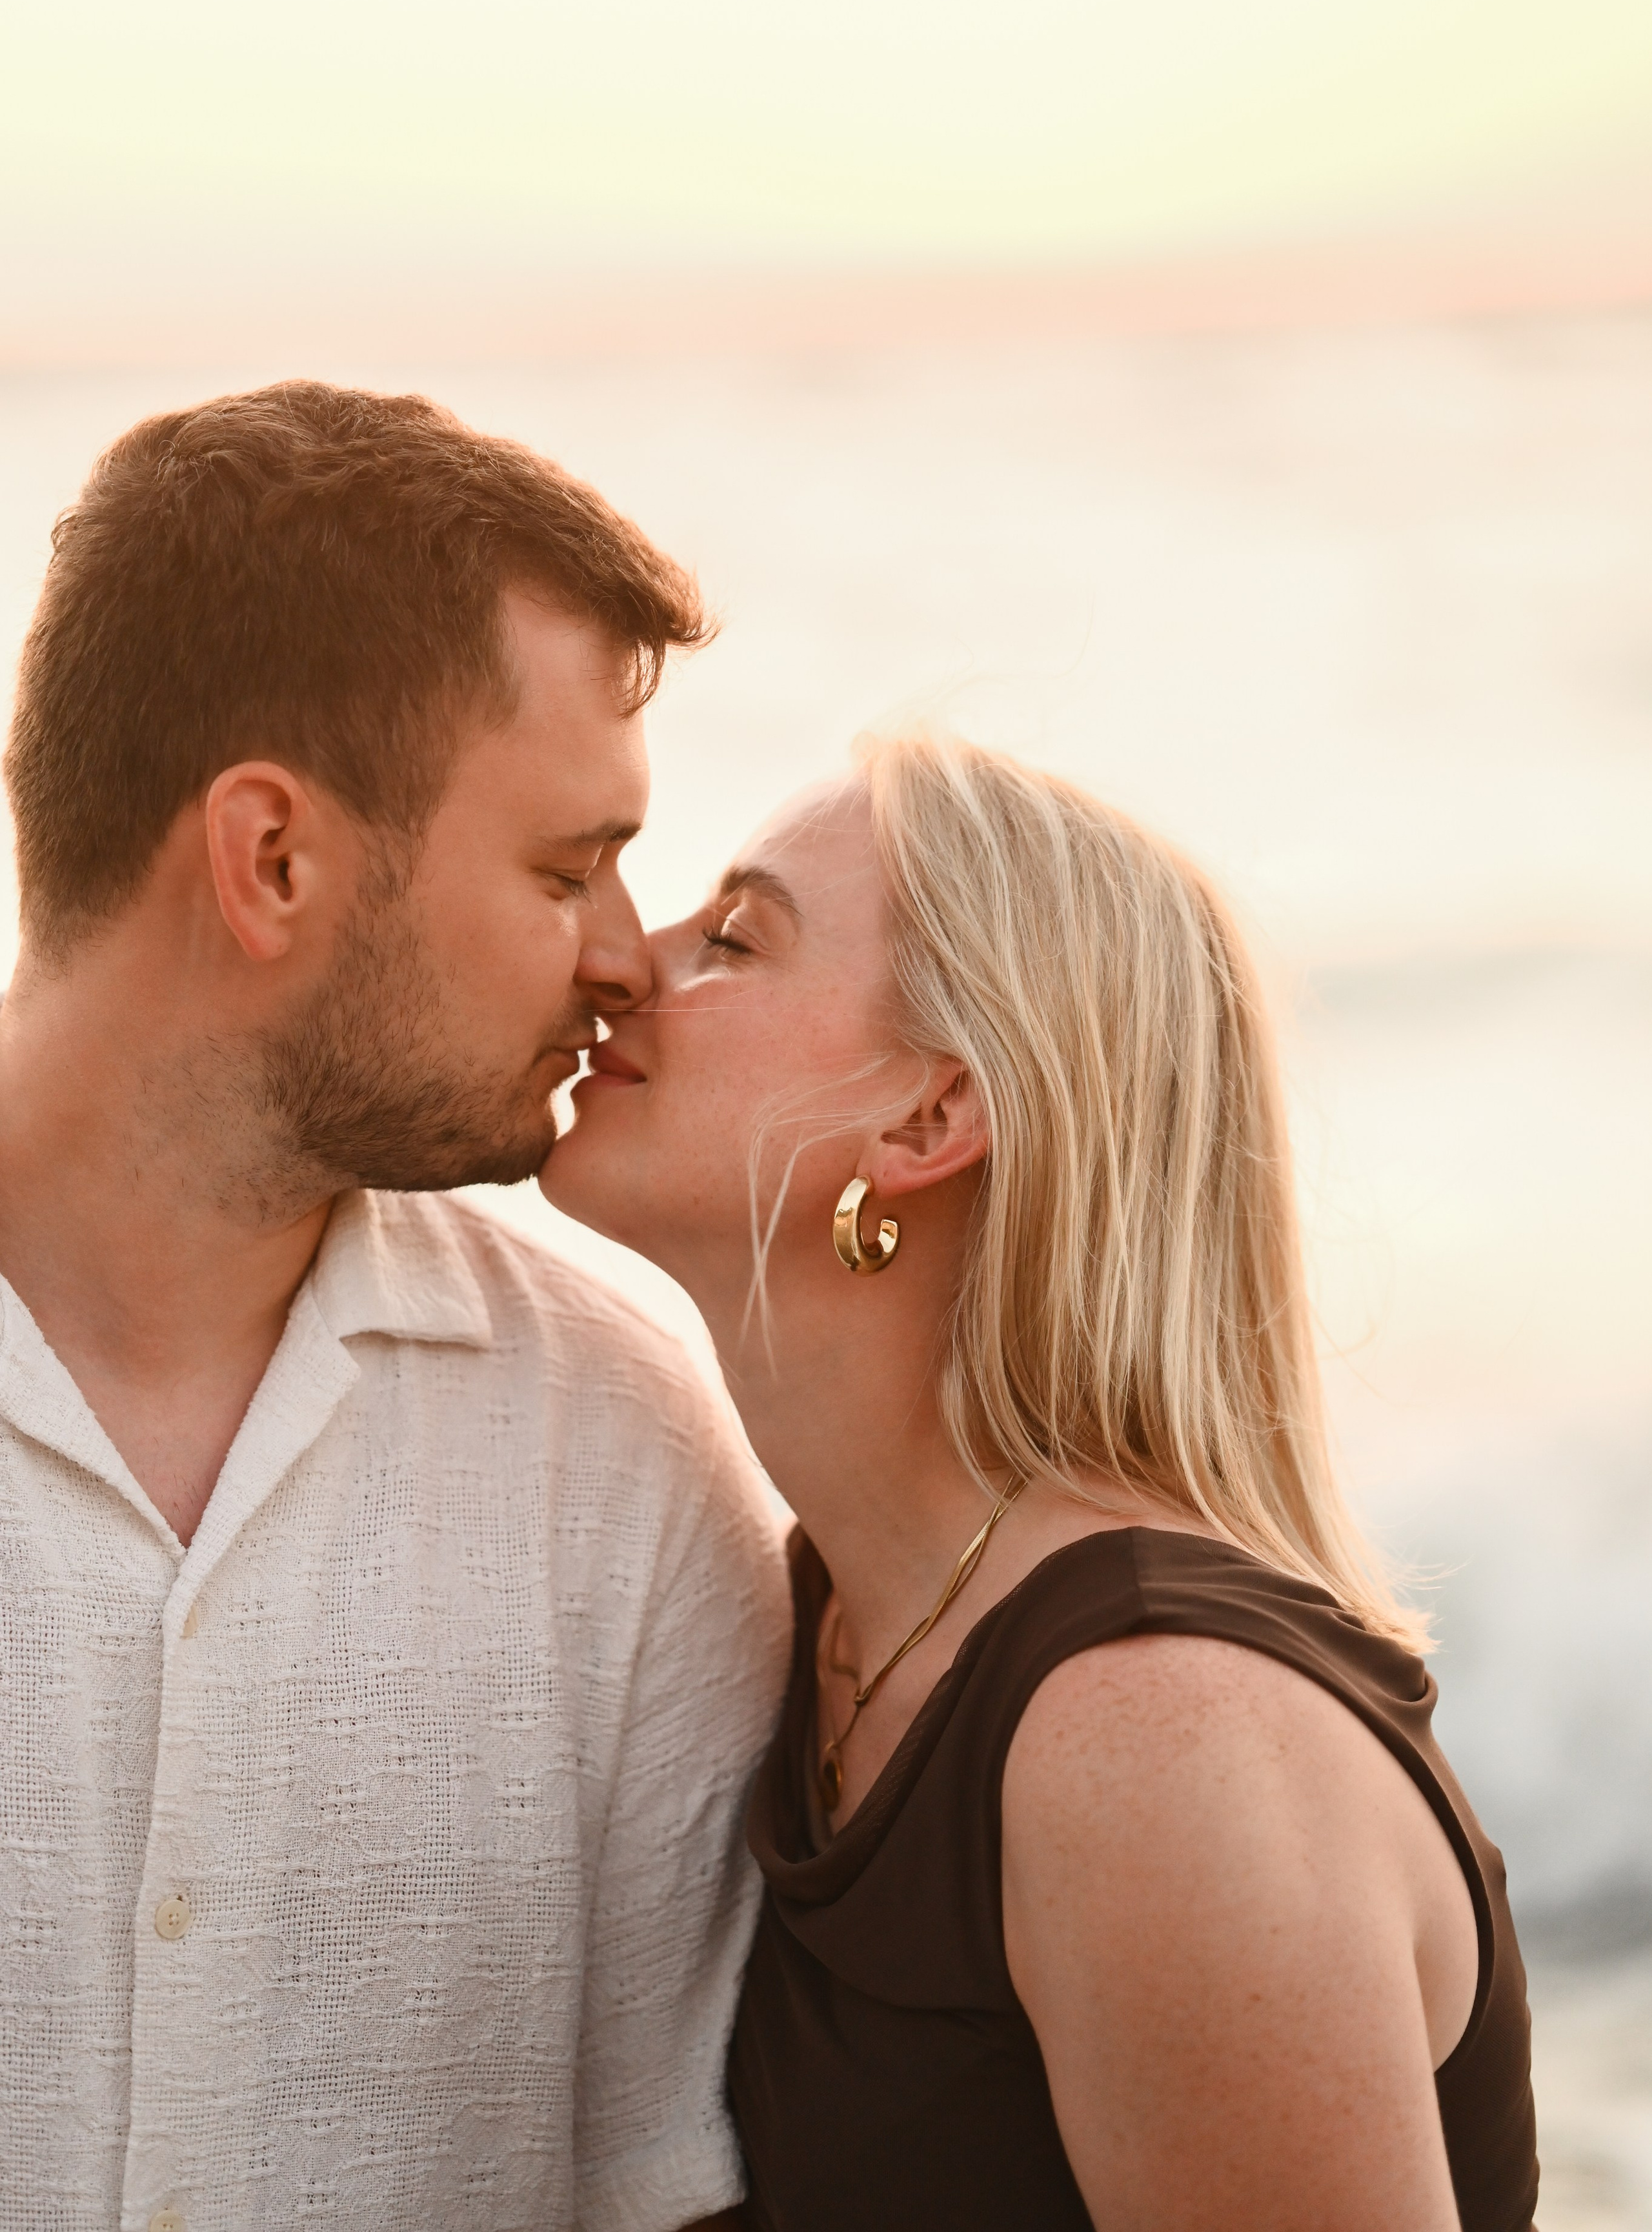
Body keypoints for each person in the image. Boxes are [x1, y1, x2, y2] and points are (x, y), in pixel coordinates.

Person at [543, 732, 1541, 2232]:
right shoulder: (812, 1616)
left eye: (734, 935)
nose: (623, 959)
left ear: (927, 1120)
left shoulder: (1154, 1735)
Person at [0, 382, 789, 2232]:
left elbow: (661, 2194)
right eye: (561, 866)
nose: (623, 954)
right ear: (273, 861)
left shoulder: (619, 1455)